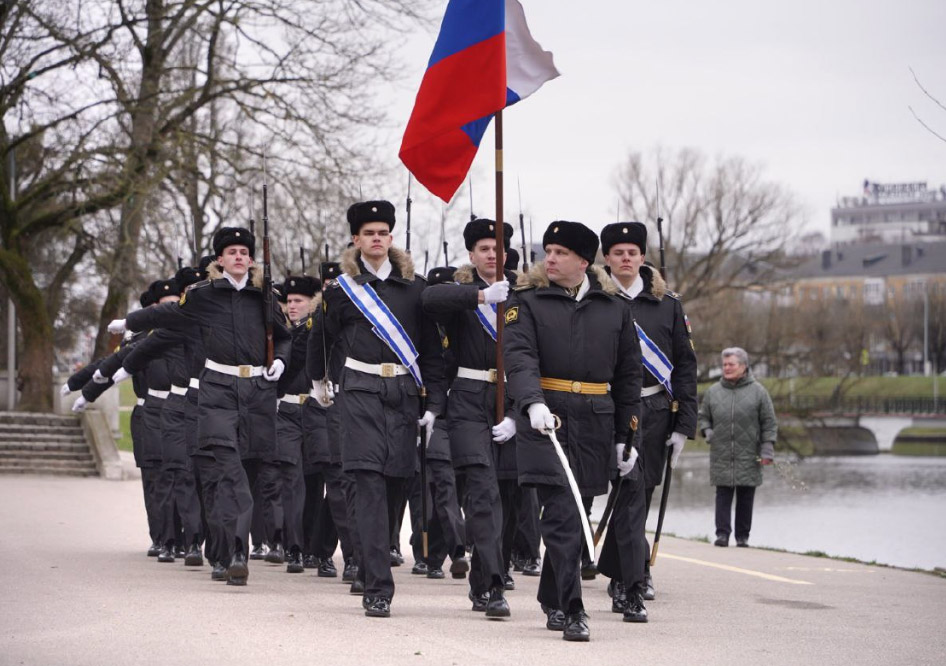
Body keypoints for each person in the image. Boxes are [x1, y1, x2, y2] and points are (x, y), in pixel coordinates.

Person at [109, 226, 291, 585]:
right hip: (218, 392)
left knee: (244, 476)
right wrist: (131, 322)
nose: (238, 257)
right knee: (228, 469)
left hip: (256, 393)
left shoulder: (265, 297)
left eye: (244, 252)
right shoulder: (203, 296)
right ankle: (237, 550)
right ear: (220, 260)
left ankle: (223, 553)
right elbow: (168, 318)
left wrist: (280, 362)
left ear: (251, 259)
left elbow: (284, 339)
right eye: (231, 252)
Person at [504, 220, 642, 642]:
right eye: (548, 250)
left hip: (595, 420)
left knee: (577, 512)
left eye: (561, 252)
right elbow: (519, 356)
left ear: (584, 261)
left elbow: (628, 376)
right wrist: (532, 402)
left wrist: (626, 437)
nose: (550, 258)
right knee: (563, 513)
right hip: (547, 419)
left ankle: (551, 597)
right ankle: (574, 606)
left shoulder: (615, 308)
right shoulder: (525, 301)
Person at [307, 200, 445, 618]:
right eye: (369, 233)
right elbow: (320, 337)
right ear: (356, 239)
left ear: (391, 238)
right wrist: (318, 381)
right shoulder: (341, 291)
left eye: (383, 232)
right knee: (365, 482)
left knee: (395, 485)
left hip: (403, 394)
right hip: (359, 391)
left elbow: (433, 353)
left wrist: (434, 404)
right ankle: (379, 587)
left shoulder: (415, 289)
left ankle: (371, 561)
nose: (377, 239)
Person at [596, 221, 698, 612]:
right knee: (627, 492)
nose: (625, 258)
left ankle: (626, 568)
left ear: (642, 257)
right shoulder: (595, 302)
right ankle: (631, 578)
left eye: (632, 252)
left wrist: (684, 425)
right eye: (617, 252)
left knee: (641, 492)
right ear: (607, 258)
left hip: (655, 410)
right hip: (609, 410)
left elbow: (685, 367)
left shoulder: (667, 305)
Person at [422, 220, 519, 617]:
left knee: (509, 501)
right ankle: (495, 587)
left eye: (498, 248)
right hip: (466, 401)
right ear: (472, 254)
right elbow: (429, 299)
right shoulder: (463, 293)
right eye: (484, 248)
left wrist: (515, 412)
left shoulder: (525, 295)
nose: (492, 255)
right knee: (482, 494)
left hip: (511, 399)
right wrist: (480, 296)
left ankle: (483, 577)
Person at [698, 347, 777, 548]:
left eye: (731, 364)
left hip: (749, 452)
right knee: (722, 493)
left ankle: (743, 537)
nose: (726, 368)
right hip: (721, 452)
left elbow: (769, 422)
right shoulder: (713, 392)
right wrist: (707, 431)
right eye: (724, 364)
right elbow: (704, 417)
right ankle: (722, 535)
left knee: (746, 494)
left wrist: (767, 448)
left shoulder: (759, 392)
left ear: (743, 366)